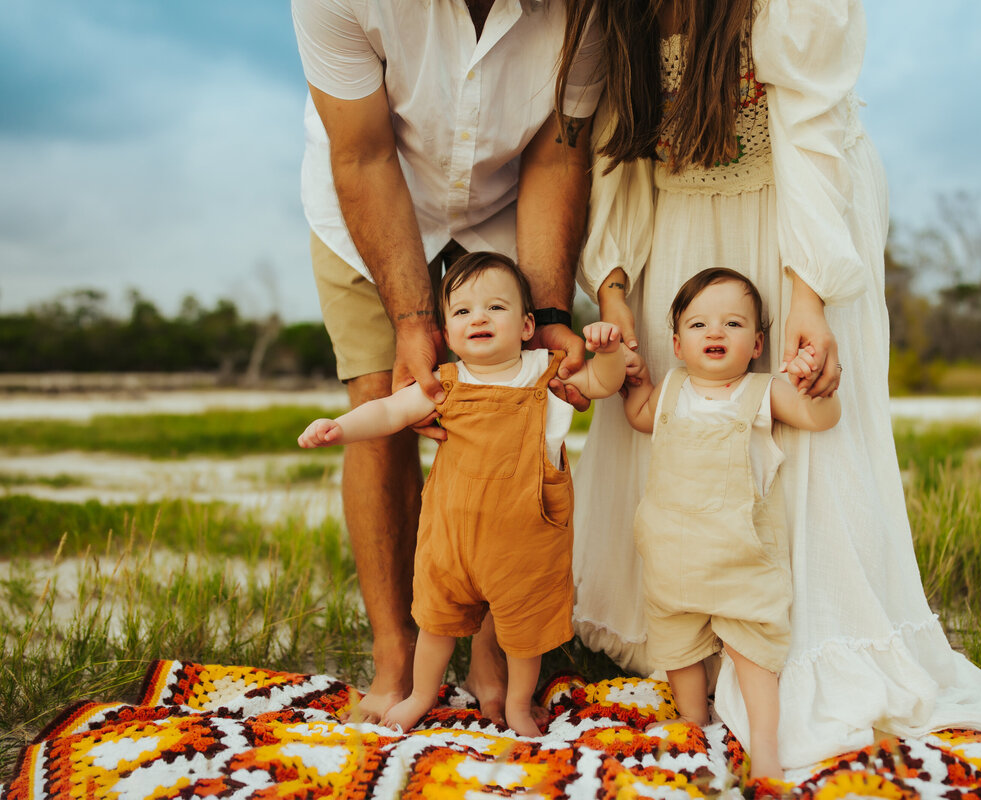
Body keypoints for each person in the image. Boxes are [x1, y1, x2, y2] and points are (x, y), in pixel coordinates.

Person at [558, 0, 981, 773]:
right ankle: (694, 637)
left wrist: (808, 290)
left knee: (801, 429)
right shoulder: (621, 11)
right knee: (690, 418)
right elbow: (621, 145)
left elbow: (812, 128)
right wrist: (613, 291)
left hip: (796, 212)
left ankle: (799, 641)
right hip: (679, 221)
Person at [290, 0, 604, 722]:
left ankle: (494, 645)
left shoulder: (588, 10)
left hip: (508, 204)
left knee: (525, 403)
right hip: (369, 200)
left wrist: (549, 317)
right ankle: (396, 651)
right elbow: (363, 154)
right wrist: (412, 318)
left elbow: (560, 145)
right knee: (383, 392)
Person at [299, 253, 626, 736]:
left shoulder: (546, 371)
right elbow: (388, 412)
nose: (479, 318)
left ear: (526, 325)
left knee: (523, 634)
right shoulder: (445, 382)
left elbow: (602, 381)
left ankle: (517, 704)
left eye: (496, 308)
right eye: (463, 311)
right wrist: (339, 428)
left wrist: (610, 351)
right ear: (447, 335)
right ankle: (419, 695)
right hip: (452, 538)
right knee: (436, 623)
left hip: (528, 537)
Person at [622, 268, 840, 779]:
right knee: (677, 647)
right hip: (671, 554)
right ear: (676, 343)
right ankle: (694, 722)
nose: (715, 333)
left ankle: (765, 744)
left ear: (758, 342)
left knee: (754, 652)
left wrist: (814, 385)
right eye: (698, 325)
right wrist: (634, 382)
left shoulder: (762, 392)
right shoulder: (672, 390)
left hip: (742, 556)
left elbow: (819, 419)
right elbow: (639, 416)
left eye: (733, 323)